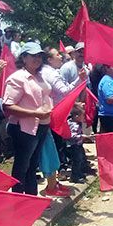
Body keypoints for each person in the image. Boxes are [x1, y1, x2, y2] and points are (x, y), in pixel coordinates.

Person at [2, 42, 52, 195]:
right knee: (22, 166)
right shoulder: (17, 78)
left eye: (39, 56)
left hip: (41, 125)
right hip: (24, 127)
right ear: (23, 57)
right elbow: (8, 106)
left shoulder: (39, 76)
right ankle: (18, 199)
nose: (37, 59)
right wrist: (36, 114)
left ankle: (31, 198)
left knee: (32, 165)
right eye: (33, 56)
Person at [41, 47, 87, 196]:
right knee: (54, 149)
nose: (61, 57)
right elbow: (65, 91)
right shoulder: (52, 73)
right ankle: (52, 183)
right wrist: (79, 80)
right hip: (55, 115)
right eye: (57, 55)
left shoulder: (45, 72)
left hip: (52, 114)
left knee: (55, 149)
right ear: (49, 59)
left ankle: (54, 182)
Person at [66, 105, 93, 183]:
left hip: (78, 144)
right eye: (82, 116)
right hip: (73, 146)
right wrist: (82, 136)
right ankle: (75, 177)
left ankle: (80, 173)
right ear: (76, 116)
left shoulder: (77, 123)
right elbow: (72, 136)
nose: (83, 118)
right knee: (76, 161)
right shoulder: (73, 125)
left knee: (81, 159)